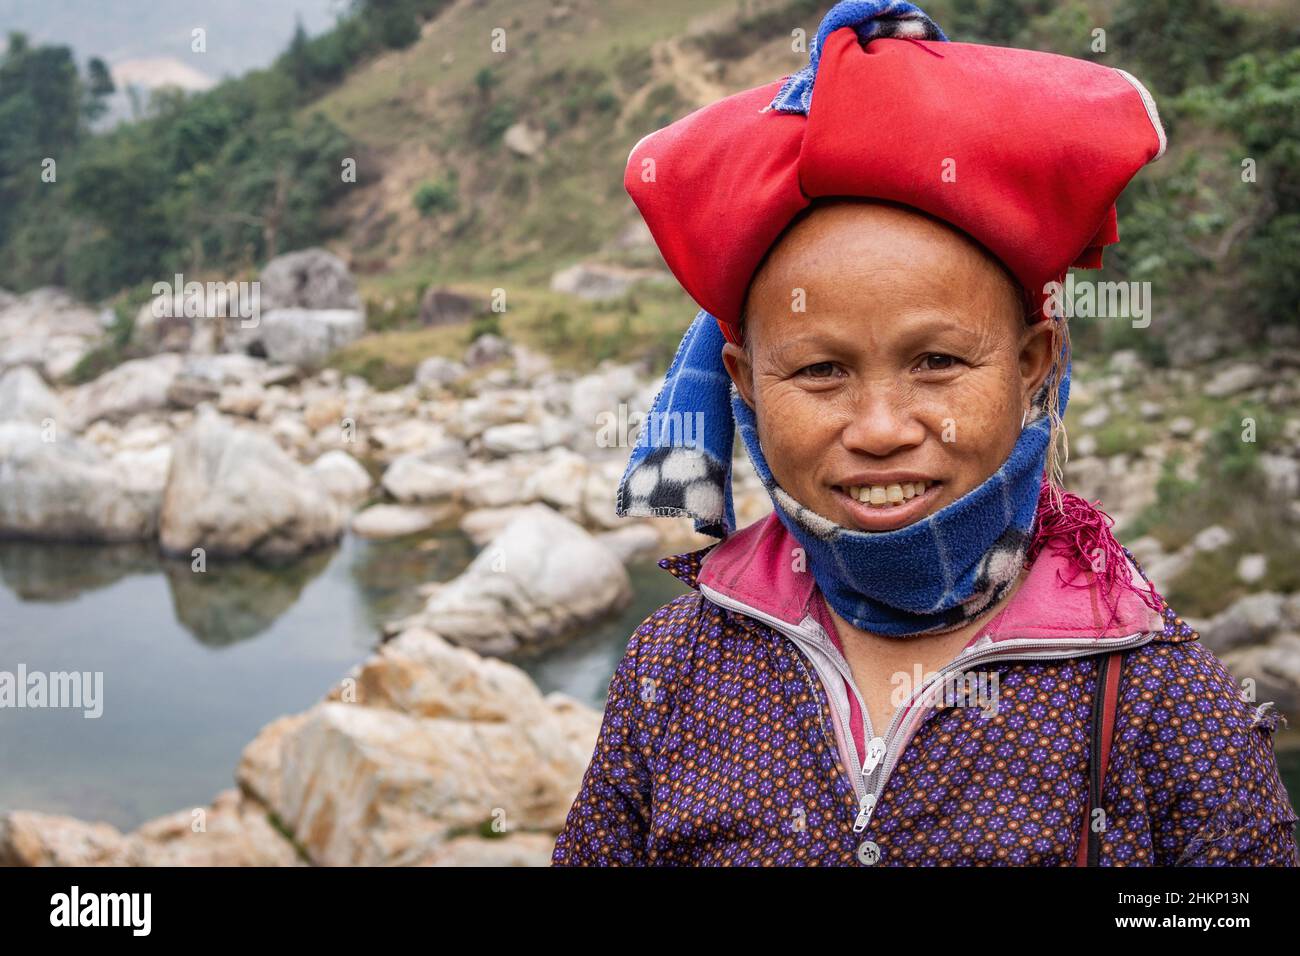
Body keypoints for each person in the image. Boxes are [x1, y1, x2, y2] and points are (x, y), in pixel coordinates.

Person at [551, 1, 1298, 866]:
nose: (878, 430)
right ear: (744, 382)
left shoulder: (1154, 696)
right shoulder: (671, 669)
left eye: (938, 360)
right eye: (820, 371)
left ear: (1032, 364)